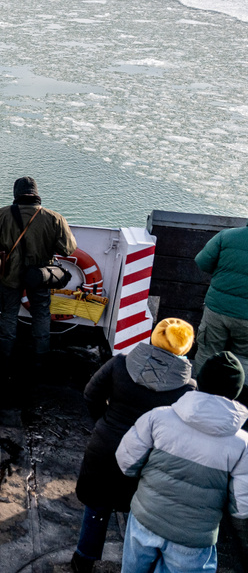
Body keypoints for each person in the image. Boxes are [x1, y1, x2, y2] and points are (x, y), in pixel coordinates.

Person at [70, 318, 196, 573]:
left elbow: (90, 394)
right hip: (149, 457)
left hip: (106, 446)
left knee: (97, 504)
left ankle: (83, 560)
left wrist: (104, 423)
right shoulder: (187, 388)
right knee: (139, 514)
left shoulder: (120, 363)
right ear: (185, 347)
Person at [115, 351, 248, 573]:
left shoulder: (158, 417)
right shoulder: (242, 444)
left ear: (201, 380)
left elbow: (126, 461)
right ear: (236, 391)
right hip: (193, 539)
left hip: (145, 520)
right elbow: (242, 507)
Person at [0, 176, 77, 362]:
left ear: (15, 193)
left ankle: (5, 355)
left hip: (9, 274)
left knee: (9, 314)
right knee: (42, 313)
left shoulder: (1, 214)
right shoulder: (54, 218)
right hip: (40, 275)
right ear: (36, 193)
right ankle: (41, 355)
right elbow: (68, 249)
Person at [193, 223, 248, 376]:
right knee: (244, 359)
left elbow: (202, 262)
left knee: (207, 352)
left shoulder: (226, 236)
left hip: (217, 310)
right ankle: (239, 396)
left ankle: (202, 394)